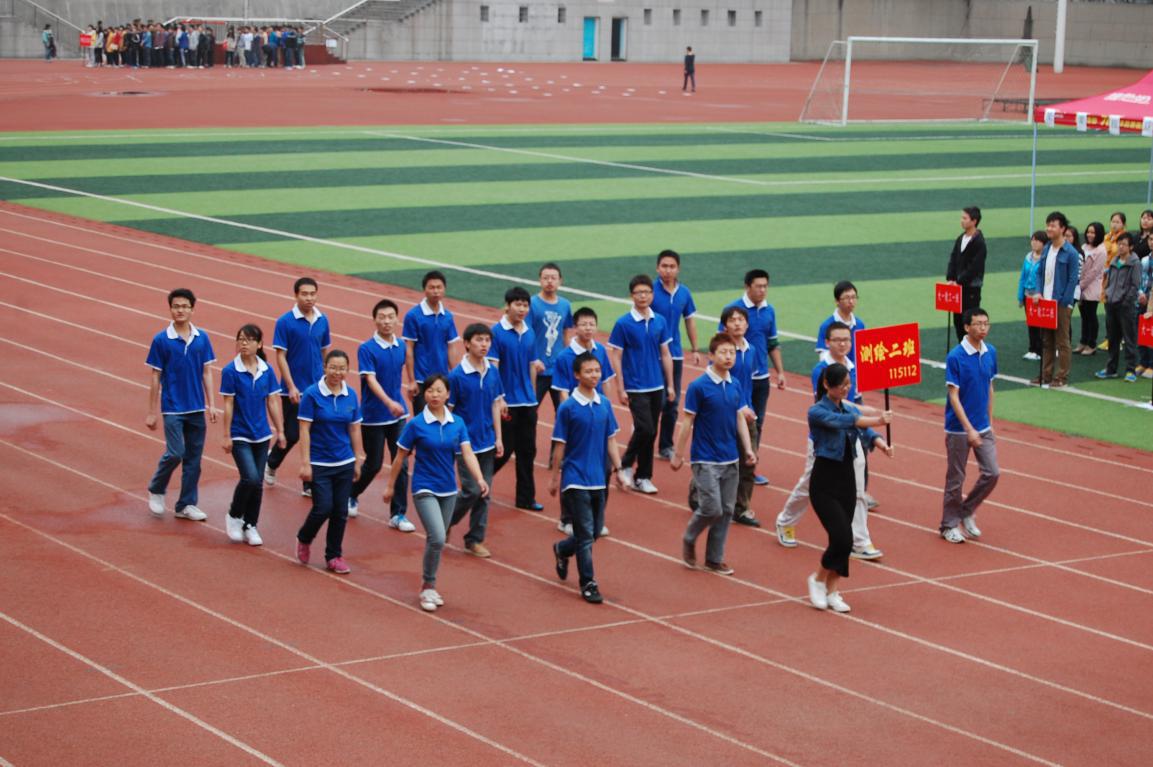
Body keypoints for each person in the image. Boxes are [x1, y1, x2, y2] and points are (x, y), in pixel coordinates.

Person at [777, 322, 885, 559]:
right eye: (837, 340)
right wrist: (872, 419)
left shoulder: (854, 367)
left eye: (847, 339)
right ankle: (785, 521)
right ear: (827, 342)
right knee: (810, 485)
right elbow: (836, 407)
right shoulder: (822, 370)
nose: (843, 344)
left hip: (850, 439)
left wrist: (874, 435)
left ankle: (860, 541)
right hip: (825, 441)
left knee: (857, 489)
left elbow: (856, 403)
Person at [384, 373, 489, 612]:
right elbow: (400, 457)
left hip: (448, 489)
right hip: (424, 487)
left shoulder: (457, 423)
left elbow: (467, 453)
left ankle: (430, 584)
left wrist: (479, 478)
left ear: (448, 394)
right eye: (430, 390)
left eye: (439, 391)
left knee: (437, 540)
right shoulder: (416, 424)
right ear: (425, 394)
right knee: (438, 537)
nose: (434, 395)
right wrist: (390, 486)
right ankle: (428, 587)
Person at [806, 364, 892, 612]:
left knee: (846, 540)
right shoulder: (817, 411)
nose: (846, 388)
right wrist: (878, 419)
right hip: (824, 482)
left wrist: (882, 444)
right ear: (826, 385)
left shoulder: (849, 407)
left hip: (847, 480)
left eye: (848, 384)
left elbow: (865, 430)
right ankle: (818, 579)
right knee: (841, 536)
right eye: (841, 385)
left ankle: (833, 590)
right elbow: (847, 421)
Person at [671, 334, 756, 576]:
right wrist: (678, 454)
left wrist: (748, 449)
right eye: (723, 352)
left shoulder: (735, 384)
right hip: (705, 458)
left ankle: (714, 558)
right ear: (711, 355)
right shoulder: (699, 387)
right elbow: (687, 422)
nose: (729, 357)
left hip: (730, 458)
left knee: (727, 510)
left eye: (732, 352)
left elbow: (739, 417)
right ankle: (689, 537)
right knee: (712, 508)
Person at [549, 353, 628, 605]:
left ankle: (562, 549)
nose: (594, 375)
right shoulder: (568, 408)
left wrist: (619, 470)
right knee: (585, 535)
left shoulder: (604, 404)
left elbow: (611, 440)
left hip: (598, 478)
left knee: (593, 532)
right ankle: (588, 583)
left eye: (597, 370)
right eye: (588, 371)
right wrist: (555, 478)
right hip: (574, 479)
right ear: (577, 375)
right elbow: (560, 445)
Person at [145, 288, 217, 521]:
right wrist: (152, 412)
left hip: (196, 407)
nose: (180, 310)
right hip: (173, 407)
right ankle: (157, 488)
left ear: (192, 309)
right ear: (170, 309)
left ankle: (186, 504)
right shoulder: (161, 340)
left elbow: (206, 372)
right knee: (176, 453)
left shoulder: (202, 338)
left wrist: (212, 404)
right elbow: (155, 376)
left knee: (194, 459)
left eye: (185, 306)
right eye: (176, 306)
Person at [295, 350, 364, 574]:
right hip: (320, 462)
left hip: (344, 461)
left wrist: (357, 459)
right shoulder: (312, 394)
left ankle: (334, 556)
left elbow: (354, 429)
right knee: (323, 507)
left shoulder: (351, 395)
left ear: (348, 370)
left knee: (340, 511)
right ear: (324, 367)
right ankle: (304, 537)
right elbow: (304, 429)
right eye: (333, 367)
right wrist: (305, 463)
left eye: (342, 368)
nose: (337, 372)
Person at [349, 299, 414, 532]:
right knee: (374, 464)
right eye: (382, 317)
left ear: (397, 319)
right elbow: (370, 379)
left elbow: (406, 363)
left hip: (398, 416)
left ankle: (398, 514)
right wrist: (388, 402)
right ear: (375, 320)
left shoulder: (401, 345)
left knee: (401, 463)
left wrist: (412, 382)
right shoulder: (366, 349)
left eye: (391, 317)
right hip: (374, 416)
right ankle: (351, 494)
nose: (387, 321)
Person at [551, 306, 616, 537]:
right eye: (583, 324)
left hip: (597, 416)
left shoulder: (600, 351)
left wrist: (607, 409)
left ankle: (597, 517)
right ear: (575, 327)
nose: (588, 328)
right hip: (577, 419)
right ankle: (567, 518)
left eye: (592, 324)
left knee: (604, 468)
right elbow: (561, 390)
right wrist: (571, 414)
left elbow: (606, 381)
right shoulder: (564, 356)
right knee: (572, 467)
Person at [608, 274, 674, 495]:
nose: (643, 296)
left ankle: (643, 476)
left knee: (651, 432)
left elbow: (665, 353)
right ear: (632, 296)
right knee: (646, 428)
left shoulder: (660, 321)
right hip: (635, 386)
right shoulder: (623, 323)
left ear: (652, 295)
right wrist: (620, 387)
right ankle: (625, 464)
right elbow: (616, 356)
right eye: (638, 293)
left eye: (646, 292)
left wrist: (670, 384)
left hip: (656, 385)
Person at [220, 324, 285, 546]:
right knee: (250, 477)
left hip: (262, 434)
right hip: (240, 434)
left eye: (249, 339)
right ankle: (234, 515)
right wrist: (226, 435)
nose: (244, 343)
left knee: (257, 484)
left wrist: (280, 431)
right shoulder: (230, 371)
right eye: (240, 339)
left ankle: (250, 525)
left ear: (259, 344)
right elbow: (228, 404)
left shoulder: (267, 370)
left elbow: (273, 401)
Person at [720, 269, 785, 486]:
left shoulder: (769, 311)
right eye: (758, 286)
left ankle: (750, 464)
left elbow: (772, 343)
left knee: (757, 423)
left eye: (765, 286)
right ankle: (728, 464)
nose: (762, 290)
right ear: (747, 286)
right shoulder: (733, 312)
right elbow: (720, 342)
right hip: (737, 377)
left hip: (761, 377)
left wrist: (780, 371)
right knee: (731, 422)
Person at [267, 277, 331, 495]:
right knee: (293, 434)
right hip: (293, 390)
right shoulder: (285, 322)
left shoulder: (322, 320)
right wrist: (291, 386)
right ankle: (272, 462)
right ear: (296, 295)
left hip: (317, 389)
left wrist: (327, 380)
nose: (309, 298)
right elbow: (281, 356)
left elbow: (324, 351)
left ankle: (309, 482)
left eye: (312, 293)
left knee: (315, 435)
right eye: (304, 294)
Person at [940, 308, 999, 544]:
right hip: (958, 429)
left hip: (983, 426)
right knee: (956, 479)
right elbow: (953, 396)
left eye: (986, 323)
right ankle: (948, 525)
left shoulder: (990, 352)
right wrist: (968, 428)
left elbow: (990, 387)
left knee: (992, 473)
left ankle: (965, 511)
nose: (983, 328)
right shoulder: (956, 356)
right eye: (978, 324)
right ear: (966, 327)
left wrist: (989, 422)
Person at [448, 323, 505, 558]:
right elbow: (449, 411)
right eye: (479, 340)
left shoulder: (492, 372)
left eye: (487, 340)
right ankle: (445, 521)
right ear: (467, 343)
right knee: (471, 490)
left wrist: (498, 437)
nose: (484, 345)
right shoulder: (456, 376)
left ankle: (474, 539)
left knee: (485, 492)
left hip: (487, 441)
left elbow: (495, 404)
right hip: (465, 444)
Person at [490, 286, 544, 511]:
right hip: (507, 402)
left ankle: (525, 498)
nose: (522, 309)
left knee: (528, 451)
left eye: (525, 305)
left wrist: (532, 394)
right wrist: (499, 398)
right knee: (504, 450)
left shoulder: (529, 332)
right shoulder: (497, 332)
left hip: (527, 402)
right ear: (507, 306)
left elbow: (532, 366)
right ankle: (477, 480)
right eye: (517, 304)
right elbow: (493, 368)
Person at [715, 305, 767, 527]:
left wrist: (748, 407)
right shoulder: (722, 352)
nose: (737, 323)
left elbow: (748, 383)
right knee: (719, 461)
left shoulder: (751, 350)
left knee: (749, 461)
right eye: (732, 320)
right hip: (724, 414)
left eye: (741, 319)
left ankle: (741, 507)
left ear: (747, 324)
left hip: (747, 414)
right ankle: (698, 494)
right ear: (725, 325)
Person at [652, 249, 701, 461]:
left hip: (675, 354)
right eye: (664, 266)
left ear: (678, 269)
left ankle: (666, 445)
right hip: (652, 355)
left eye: (672, 266)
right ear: (657, 268)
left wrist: (695, 349)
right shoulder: (649, 291)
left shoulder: (684, 293)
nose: (668, 270)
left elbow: (689, 320)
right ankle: (644, 436)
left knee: (672, 402)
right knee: (654, 400)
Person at [402, 270, 461, 414]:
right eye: (432, 287)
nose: (436, 291)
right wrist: (411, 380)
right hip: (422, 380)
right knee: (424, 420)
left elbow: (451, 348)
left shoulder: (448, 316)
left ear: (444, 289)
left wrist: (455, 376)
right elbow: (409, 348)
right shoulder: (413, 315)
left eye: (439, 287)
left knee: (443, 419)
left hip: (443, 380)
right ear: (425, 290)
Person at [1033, 211, 1080, 388]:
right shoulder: (1047, 249)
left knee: (1062, 341)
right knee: (1047, 340)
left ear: (1062, 228)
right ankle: (1045, 374)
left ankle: (1061, 377)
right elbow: (1039, 272)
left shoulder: (1071, 252)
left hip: (1060, 304)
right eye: (1048, 225)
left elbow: (1073, 279)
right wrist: (1038, 292)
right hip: (1046, 302)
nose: (1049, 228)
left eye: (1053, 225)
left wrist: (1064, 302)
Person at [1095, 232, 1141, 383]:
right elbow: (1109, 281)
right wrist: (1107, 295)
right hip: (1111, 304)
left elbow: (1135, 285)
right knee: (1113, 338)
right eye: (1119, 244)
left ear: (1131, 247)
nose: (1120, 247)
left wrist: (1126, 301)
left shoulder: (1134, 263)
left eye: (1124, 244)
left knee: (1129, 338)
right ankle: (1111, 369)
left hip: (1125, 306)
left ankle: (1130, 370)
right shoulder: (1114, 260)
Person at [529, 262, 573, 416]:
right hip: (537, 369)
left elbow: (565, 333)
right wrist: (533, 359)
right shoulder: (531, 304)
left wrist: (568, 359)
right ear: (539, 280)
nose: (549, 281)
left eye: (553, 278)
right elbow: (526, 335)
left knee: (564, 412)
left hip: (558, 369)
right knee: (530, 412)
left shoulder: (565, 305)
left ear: (560, 281)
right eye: (546, 278)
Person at [946, 206, 987, 342]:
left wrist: (959, 281)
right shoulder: (961, 238)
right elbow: (953, 259)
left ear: (974, 221)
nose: (962, 220)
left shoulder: (979, 242)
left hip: (971, 289)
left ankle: (973, 348)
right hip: (958, 288)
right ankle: (963, 347)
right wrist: (951, 278)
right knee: (958, 321)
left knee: (969, 322)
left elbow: (975, 267)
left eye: (965, 218)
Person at [815, 280, 867, 365]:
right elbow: (824, 357)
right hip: (837, 372)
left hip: (855, 372)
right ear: (837, 301)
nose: (851, 301)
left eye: (854, 297)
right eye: (847, 298)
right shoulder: (827, 326)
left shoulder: (860, 325)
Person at [1076, 222, 1106, 356]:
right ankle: (1083, 341)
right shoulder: (1084, 246)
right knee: (1084, 316)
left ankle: (1091, 344)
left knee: (1091, 315)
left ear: (1099, 234)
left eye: (1093, 232)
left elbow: (1094, 272)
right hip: (1081, 287)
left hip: (1092, 288)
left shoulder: (1101, 250)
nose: (1090, 234)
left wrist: (1080, 285)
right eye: (1088, 232)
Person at [1018, 231, 1047, 361]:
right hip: (1028, 295)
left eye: (1038, 240)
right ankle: (1032, 349)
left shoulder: (1046, 258)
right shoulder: (1028, 257)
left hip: (1039, 296)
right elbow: (1023, 277)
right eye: (1033, 240)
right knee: (1031, 322)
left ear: (1044, 244)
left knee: (1040, 324)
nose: (1034, 243)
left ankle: (1040, 350)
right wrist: (1020, 296)